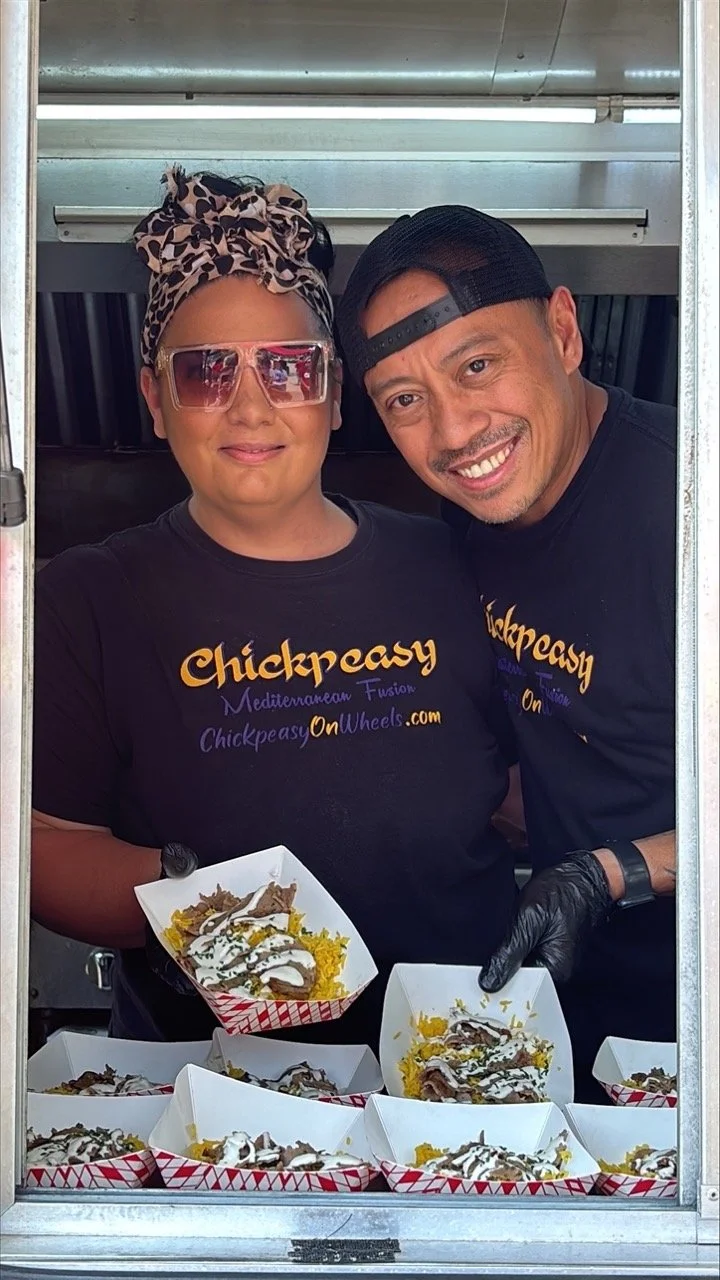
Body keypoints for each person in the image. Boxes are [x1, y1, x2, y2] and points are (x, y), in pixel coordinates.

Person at [31, 170, 518, 1046]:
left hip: (465, 1063)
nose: (250, 405)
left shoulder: (454, 560)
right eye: (207, 372)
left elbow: (528, 780)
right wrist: (190, 896)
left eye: (288, 367)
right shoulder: (85, 600)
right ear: (155, 400)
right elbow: (44, 843)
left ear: (333, 393)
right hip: (211, 1094)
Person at [337, 206, 677, 1097]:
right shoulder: (480, 506)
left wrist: (616, 870)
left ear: (562, 330)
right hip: (588, 1014)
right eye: (406, 401)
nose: (454, 433)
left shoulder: (690, 507)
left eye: (478, 364)